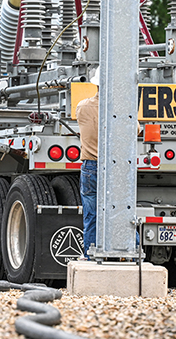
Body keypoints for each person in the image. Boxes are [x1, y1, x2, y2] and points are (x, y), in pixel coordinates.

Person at [75, 67, 100, 259]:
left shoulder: (82, 107)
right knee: (122, 214)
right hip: (117, 167)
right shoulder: (123, 110)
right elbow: (136, 131)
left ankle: (90, 254)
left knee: (91, 214)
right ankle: (129, 254)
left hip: (90, 166)